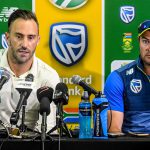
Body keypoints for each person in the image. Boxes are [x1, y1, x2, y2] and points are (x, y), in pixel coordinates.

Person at [0, 9, 60, 134]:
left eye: (31, 37)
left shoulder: (48, 76)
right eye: (18, 36)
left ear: (38, 40)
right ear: (7, 38)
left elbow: (47, 131)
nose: (25, 44)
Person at [104, 20, 150, 134]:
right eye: (145, 41)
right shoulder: (118, 78)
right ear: (138, 42)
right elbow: (114, 131)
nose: (149, 48)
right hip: (134, 144)